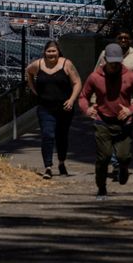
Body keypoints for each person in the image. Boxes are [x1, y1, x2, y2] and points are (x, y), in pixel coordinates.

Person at [80, 43, 133, 199]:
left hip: (124, 123)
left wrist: (130, 110)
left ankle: (123, 168)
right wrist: (87, 109)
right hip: (102, 121)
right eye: (111, 61)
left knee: (124, 157)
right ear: (105, 60)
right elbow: (83, 96)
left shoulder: (130, 76)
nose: (114, 65)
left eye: (117, 61)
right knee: (104, 157)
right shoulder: (95, 77)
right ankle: (101, 189)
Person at [95, 30, 133, 180]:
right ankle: (117, 165)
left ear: (130, 41)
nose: (123, 40)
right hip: (107, 101)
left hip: (127, 103)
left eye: (126, 38)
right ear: (116, 40)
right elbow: (96, 76)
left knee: (123, 132)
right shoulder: (105, 54)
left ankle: (121, 161)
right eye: (120, 38)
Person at [25, 40, 82, 179]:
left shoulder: (66, 64)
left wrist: (72, 99)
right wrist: (33, 89)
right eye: (49, 51)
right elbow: (28, 72)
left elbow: (77, 82)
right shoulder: (38, 64)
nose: (51, 54)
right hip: (45, 107)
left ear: (58, 52)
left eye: (54, 51)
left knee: (61, 137)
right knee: (47, 135)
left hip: (64, 108)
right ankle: (48, 167)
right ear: (44, 52)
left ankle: (61, 162)